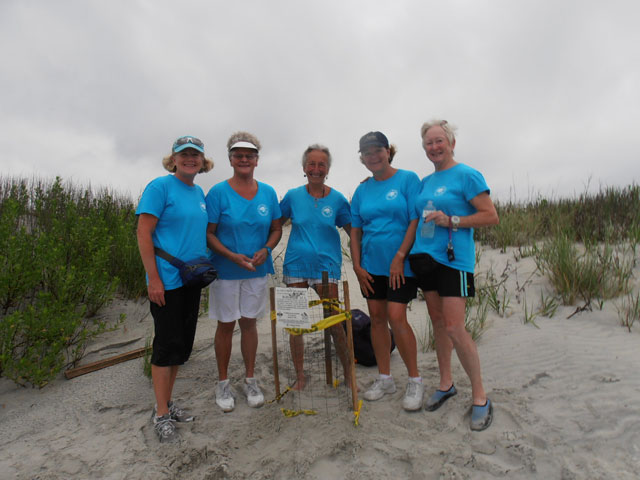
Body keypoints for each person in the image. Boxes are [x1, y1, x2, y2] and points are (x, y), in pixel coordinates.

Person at [408, 119, 499, 431]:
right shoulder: (424, 182)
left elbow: (490, 215)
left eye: (438, 141)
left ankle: (480, 397)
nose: (434, 147)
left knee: (455, 327)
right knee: (438, 325)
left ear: (451, 143)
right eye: (428, 144)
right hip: (425, 259)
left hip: (453, 261)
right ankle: (446, 384)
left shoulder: (467, 175)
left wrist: (453, 220)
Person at [136, 135, 214, 442]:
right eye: (184, 154)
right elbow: (144, 233)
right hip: (166, 281)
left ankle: (167, 403)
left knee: (180, 348)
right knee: (165, 348)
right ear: (174, 158)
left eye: (195, 154)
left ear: (203, 161)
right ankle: (160, 413)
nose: (190, 159)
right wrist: (153, 279)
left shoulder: (198, 192)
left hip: (190, 281)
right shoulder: (160, 187)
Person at [205, 131, 282, 412]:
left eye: (249, 155)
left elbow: (275, 228)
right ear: (230, 159)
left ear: (257, 160)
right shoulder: (217, 192)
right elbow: (209, 233)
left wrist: (267, 248)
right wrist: (230, 255)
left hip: (257, 270)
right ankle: (223, 383)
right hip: (226, 271)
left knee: (249, 323)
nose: (244, 159)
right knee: (225, 325)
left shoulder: (269, 192)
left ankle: (250, 379)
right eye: (238, 155)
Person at [350, 131, 424, 411]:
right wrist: (357, 266)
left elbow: (415, 220)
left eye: (377, 151)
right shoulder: (362, 190)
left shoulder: (407, 179)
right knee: (377, 319)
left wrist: (400, 256)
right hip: (371, 265)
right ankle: (385, 378)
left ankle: (415, 380)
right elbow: (355, 231)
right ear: (362, 158)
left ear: (388, 151)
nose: (373, 156)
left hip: (401, 265)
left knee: (397, 317)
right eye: (367, 153)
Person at [279, 144, 352, 390]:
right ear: (304, 168)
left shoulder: (339, 199)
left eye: (321, 164)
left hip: (327, 268)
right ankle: (300, 376)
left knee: (334, 322)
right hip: (295, 267)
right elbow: (274, 224)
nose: (316, 169)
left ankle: (350, 374)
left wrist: (362, 260)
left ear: (328, 169)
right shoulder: (292, 196)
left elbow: (354, 231)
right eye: (312, 164)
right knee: (295, 323)